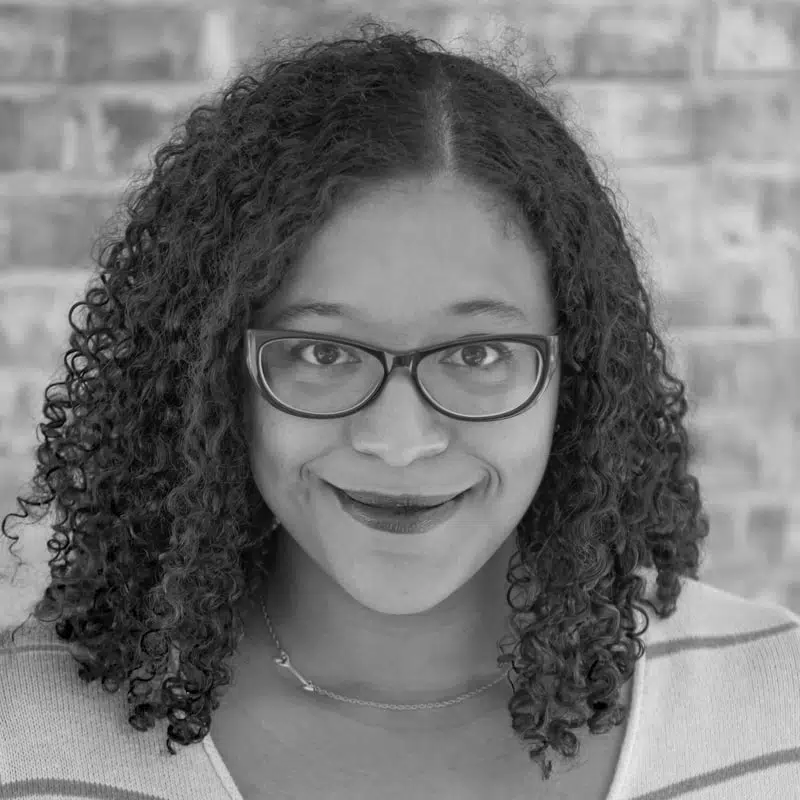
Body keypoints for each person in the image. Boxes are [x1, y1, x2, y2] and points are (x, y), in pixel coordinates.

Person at [2, 19, 799, 800]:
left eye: (478, 354)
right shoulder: (24, 740)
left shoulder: (775, 710)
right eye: (322, 353)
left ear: (578, 377)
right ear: (215, 380)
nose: (399, 441)